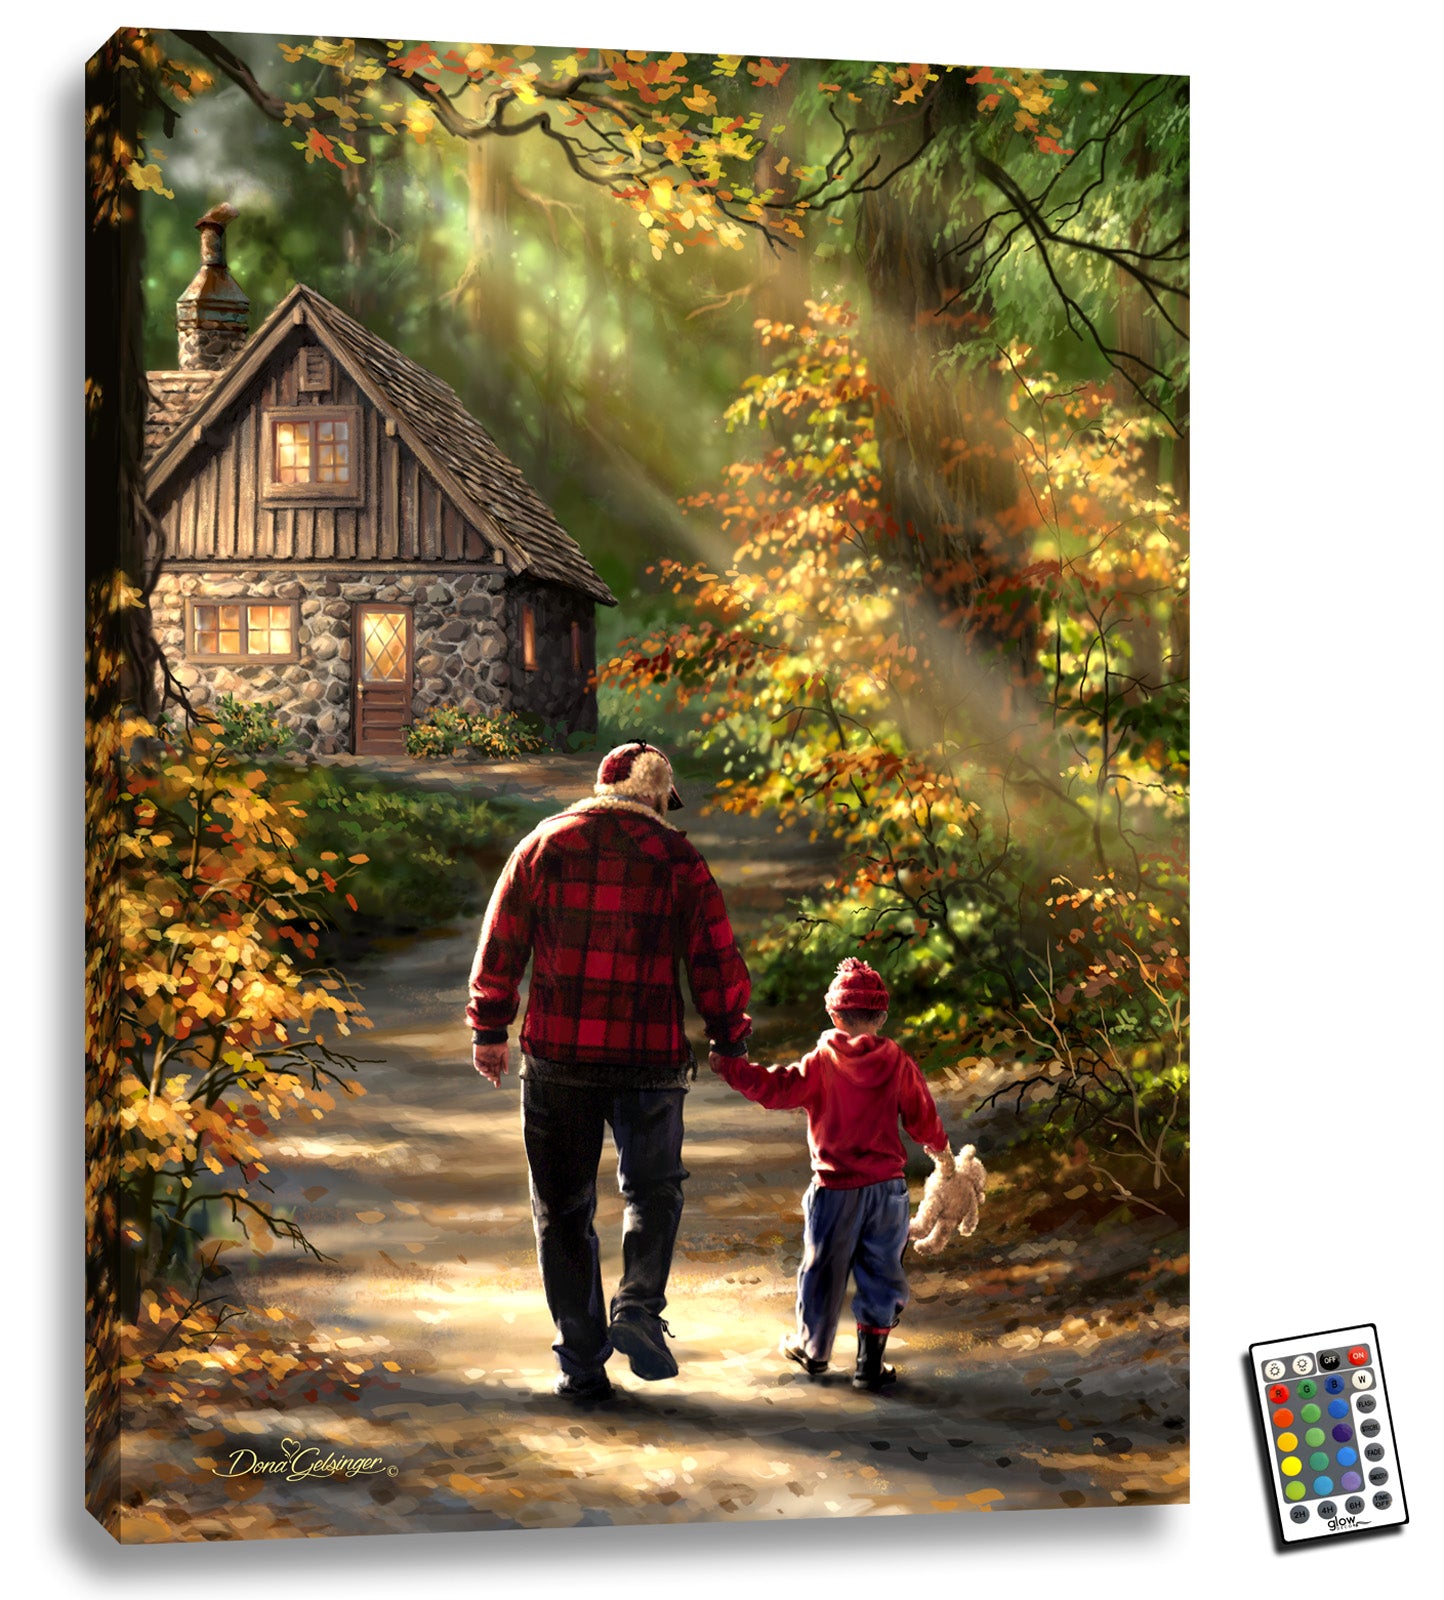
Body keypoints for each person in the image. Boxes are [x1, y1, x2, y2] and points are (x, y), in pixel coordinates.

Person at [468, 740, 751, 1401]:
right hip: (649, 1058)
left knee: (561, 1211)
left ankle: (582, 1363)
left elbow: (502, 940)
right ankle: (639, 1307)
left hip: (558, 1057)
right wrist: (728, 1038)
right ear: (655, 794)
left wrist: (489, 1028)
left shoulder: (543, 844)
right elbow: (715, 958)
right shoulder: (678, 857)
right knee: (654, 1192)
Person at [708, 956, 951, 1392]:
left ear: (833, 1013)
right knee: (882, 1271)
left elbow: (775, 1088)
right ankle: (869, 1366)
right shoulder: (897, 1061)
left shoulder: (822, 1062)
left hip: (835, 1189)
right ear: (881, 1015)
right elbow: (921, 1116)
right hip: (887, 1191)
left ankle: (813, 1349)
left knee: (822, 1269)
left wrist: (733, 1069)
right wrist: (941, 1152)